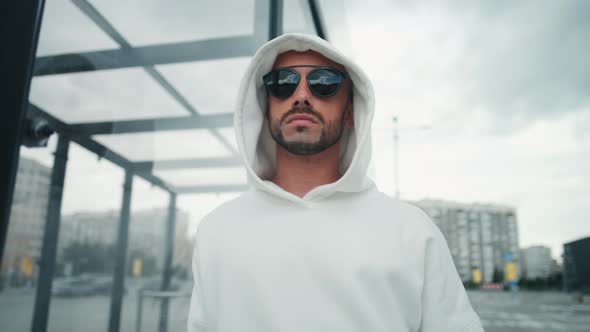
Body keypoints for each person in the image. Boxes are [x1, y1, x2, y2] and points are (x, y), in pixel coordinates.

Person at [188, 33, 484, 332]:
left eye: (325, 83)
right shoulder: (217, 230)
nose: (301, 96)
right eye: (282, 83)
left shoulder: (411, 231)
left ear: (351, 114)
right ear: (265, 109)